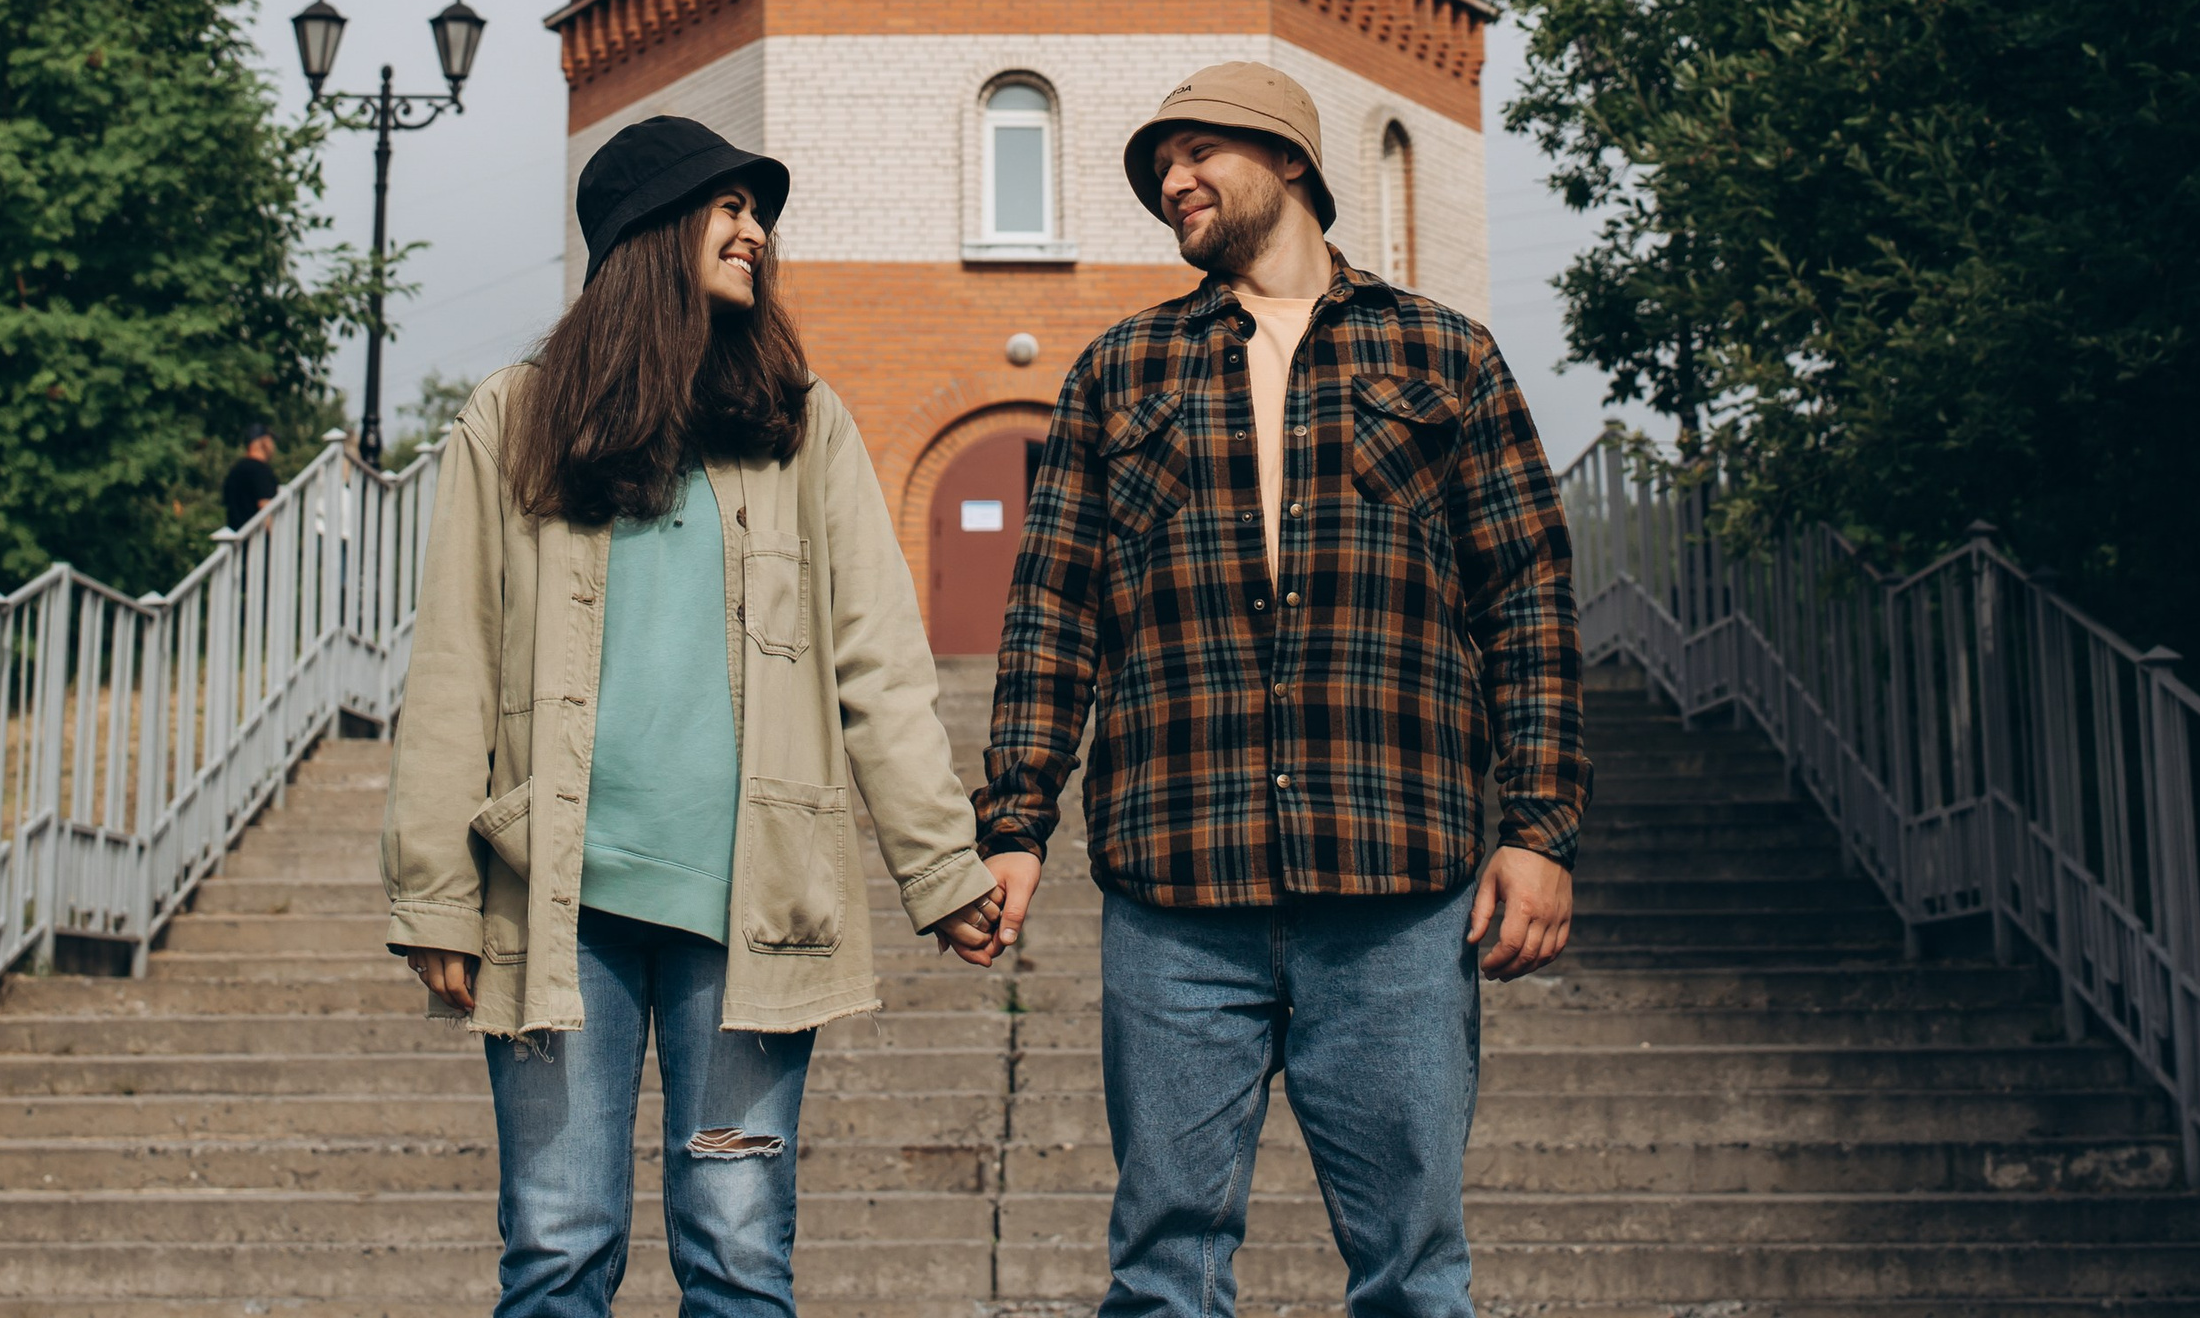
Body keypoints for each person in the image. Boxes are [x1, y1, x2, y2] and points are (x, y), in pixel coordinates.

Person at [975, 64, 1592, 1318]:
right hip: (1175, 892)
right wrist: (1014, 821)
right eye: (1159, 167)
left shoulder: (1445, 355)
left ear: (1293, 161)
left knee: (1413, 1271)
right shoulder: (1121, 371)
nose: (1171, 181)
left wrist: (1537, 831)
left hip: (1396, 892)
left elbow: (1526, 605)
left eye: (1198, 152)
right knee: (1162, 1271)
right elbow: (1052, 614)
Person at [382, 114, 1005, 1318]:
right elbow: (452, 666)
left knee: (737, 1255)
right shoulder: (514, 421)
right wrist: (434, 894)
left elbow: (879, 660)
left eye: (756, 212)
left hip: (753, 911)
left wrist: (943, 866)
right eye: (726, 208)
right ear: (649, 236)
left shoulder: (798, 421)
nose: (755, 232)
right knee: (558, 1251)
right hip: (558, 909)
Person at [222, 423, 280, 531]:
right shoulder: (260, 470)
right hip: (256, 541)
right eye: (271, 440)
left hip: (238, 540)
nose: (273, 446)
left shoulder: (236, 470)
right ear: (264, 442)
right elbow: (265, 506)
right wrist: (274, 538)